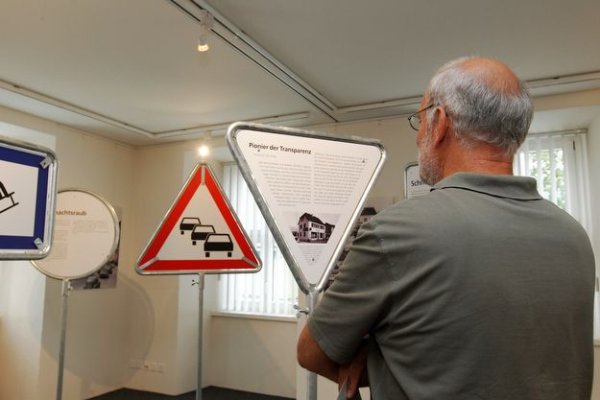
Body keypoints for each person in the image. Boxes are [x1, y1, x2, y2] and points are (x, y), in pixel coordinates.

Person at [297, 56, 596, 399]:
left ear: (439, 122)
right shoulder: (574, 235)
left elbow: (312, 352)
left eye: (420, 120)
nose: (418, 137)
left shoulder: (396, 231)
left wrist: (373, 358)